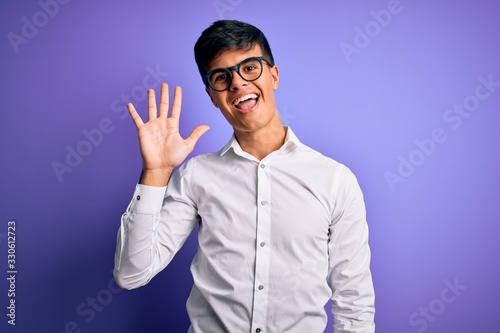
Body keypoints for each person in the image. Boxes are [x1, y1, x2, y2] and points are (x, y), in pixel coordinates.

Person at [114, 20, 375, 333]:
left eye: (250, 68)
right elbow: (131, 274)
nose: (238, 83)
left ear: (273, 75)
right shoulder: (197, 176)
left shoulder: (335, 180)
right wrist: (156, 173)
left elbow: (353, 299)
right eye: (222, 77)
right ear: (212, 95)